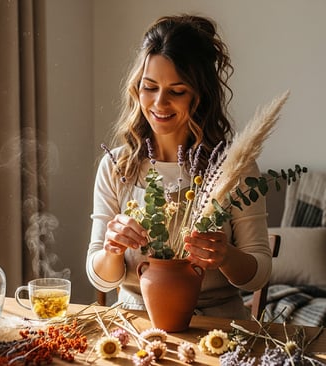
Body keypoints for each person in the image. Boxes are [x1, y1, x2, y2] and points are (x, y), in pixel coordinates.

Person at [86, 14, 271, 319]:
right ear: (137, 89)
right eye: (149, 87)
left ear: (201, 96)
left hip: (217, 325)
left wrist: (225, 256)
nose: (159, 103)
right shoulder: (117, 166)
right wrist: (111, 249)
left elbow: (259, 272)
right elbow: (100, 277)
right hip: (135, 325)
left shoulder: (235, 167)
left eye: (177, 91)